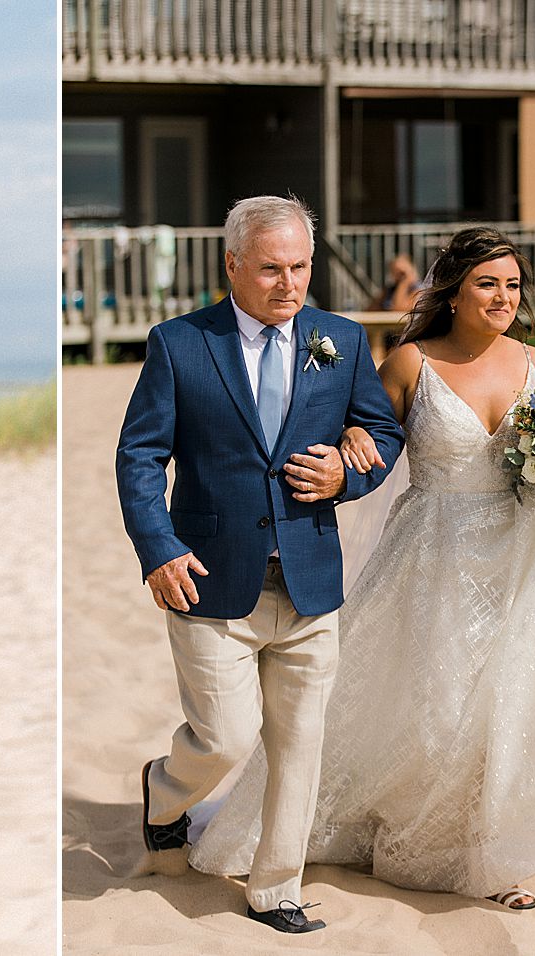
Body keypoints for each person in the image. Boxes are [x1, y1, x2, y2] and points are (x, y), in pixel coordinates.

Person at [189, 226, 535, 911]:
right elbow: (363, 436)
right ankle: (416, 833)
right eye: (487, 284)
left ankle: (492, 857)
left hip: (529, 558)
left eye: (512, 285)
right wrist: (349, 443)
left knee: (513, 701)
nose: (504, 297)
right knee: (438, 703)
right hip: (433, 554)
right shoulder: (410, 363)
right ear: (453, 292)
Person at [115, 195, 405, 934]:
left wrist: (350, 474)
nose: (289, 284)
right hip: (210, 578)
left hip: (310, 578)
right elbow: (141, 455)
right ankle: (164, 787)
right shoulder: (179, 344)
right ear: (233, 264)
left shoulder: (337, 339)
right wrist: (158, 548)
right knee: (225, 738)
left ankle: (277, 888)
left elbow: (380, 430)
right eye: (272, 268)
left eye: (301, 267)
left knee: (300, 745)